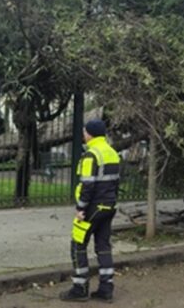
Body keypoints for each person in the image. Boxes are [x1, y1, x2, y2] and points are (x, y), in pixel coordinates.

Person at [61, 119, 121, 303]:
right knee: (103, 246)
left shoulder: (91, 155)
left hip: (92, 208)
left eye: (85, 132)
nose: (83, 135)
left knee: (77, 244)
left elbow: (87, 185)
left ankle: (80, 288)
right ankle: (106, 288)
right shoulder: (112, 153)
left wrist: (80, 208)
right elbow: (116, 182)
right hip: (109, 206)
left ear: (90, 134)